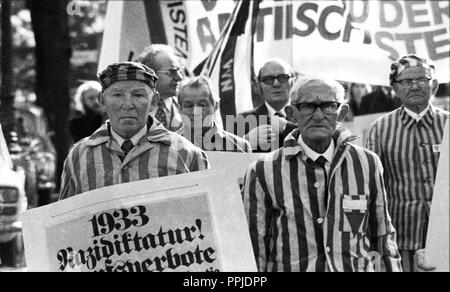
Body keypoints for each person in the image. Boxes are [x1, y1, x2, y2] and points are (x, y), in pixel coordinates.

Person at [242, 77, 402, 272]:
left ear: (341, 113)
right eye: (308, 106)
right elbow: (252, 250)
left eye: (328, 106)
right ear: (292, 114)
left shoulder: (367, 163)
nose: (318, 116)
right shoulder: (262, 170)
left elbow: (383, 236)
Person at [59, 62, 209, 200]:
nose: (127, 104)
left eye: (138, 95)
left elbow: (209, 215)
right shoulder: (79, 157)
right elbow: (65, 222)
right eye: (117, 95)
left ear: (154, 101)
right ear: (103, 101)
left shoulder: (186, 154)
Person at [364, 54, 449, 272]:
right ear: (395, 89)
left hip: (446, 237)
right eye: (406, 82)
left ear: (435, 85)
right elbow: (370, 188)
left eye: (422, 80)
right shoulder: (380, 129)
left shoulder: (448, 124)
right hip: (401, 239)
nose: (415, 86)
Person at [234, 59, 297, 152]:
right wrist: (245, 143)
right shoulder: (242, 121)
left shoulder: (307, 115)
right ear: (258, 86)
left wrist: (287, 127)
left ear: (293, 82)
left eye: (282, 78)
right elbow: (228, 161)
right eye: (268, 79)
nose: (276, 84)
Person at [179, 76, 251, 152]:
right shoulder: (168, 144)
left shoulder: (240, 148)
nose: (195, 112)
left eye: (202, 105)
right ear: (180, 109)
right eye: (189, 106)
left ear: (215, 106)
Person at [136, 44, 184, 132]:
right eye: (172, 72)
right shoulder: (133, 107)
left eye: (180, 71)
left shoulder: (187, 107)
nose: (179, 77)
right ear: (152, 74)